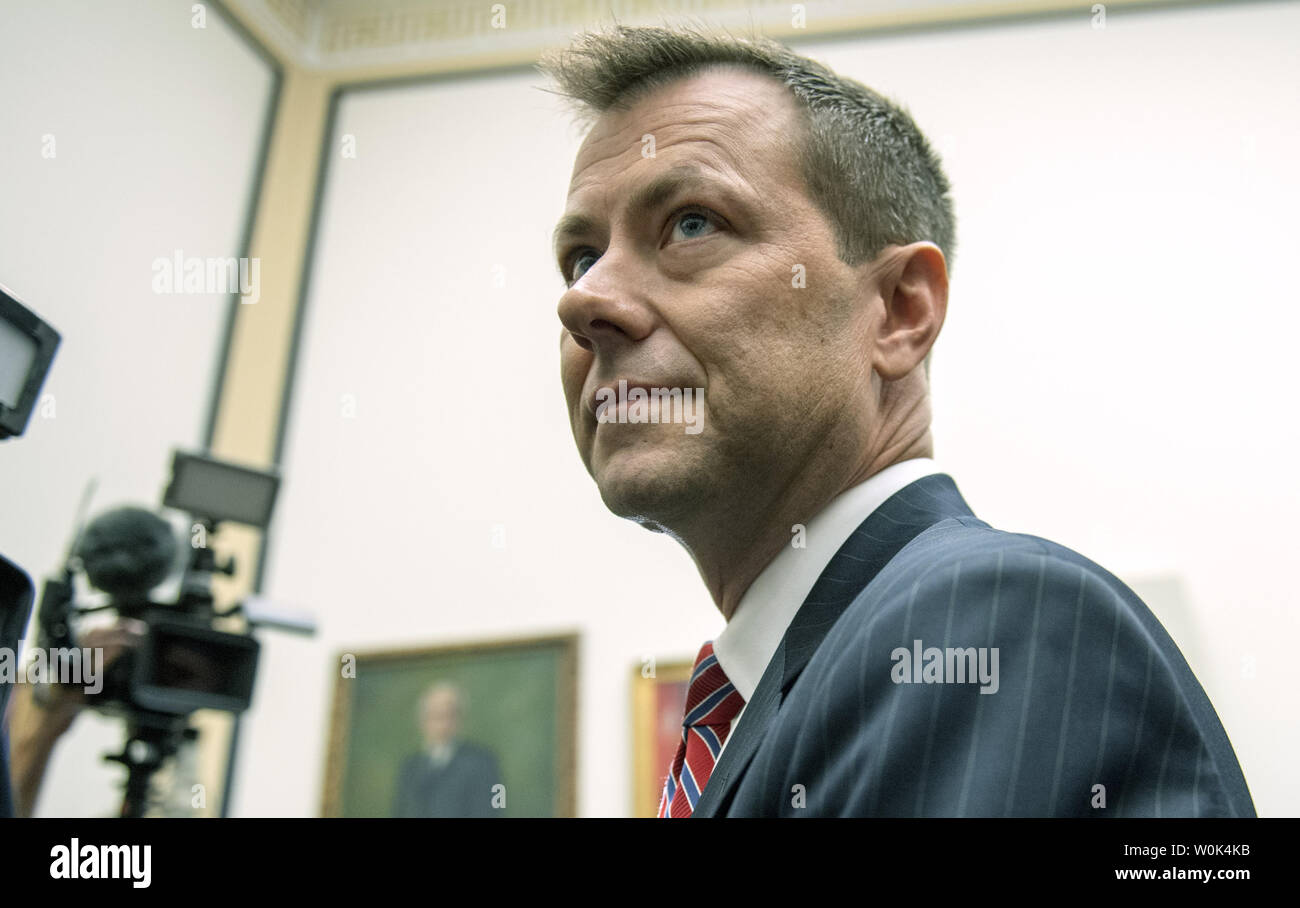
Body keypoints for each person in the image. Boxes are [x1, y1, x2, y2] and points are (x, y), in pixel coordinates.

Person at [541, 26, 1254, 817]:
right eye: (581, 257)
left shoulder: (988, 619)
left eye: (691, 223)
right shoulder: (798, 681)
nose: (584, 301)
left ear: (899, 311)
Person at [391, 683, 502, 818]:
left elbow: (488, 811)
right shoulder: (410, 767)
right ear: (423, 721)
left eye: (449, 716)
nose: (443, 724)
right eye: (435, 716)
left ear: (460, 719)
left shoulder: (481, 762)